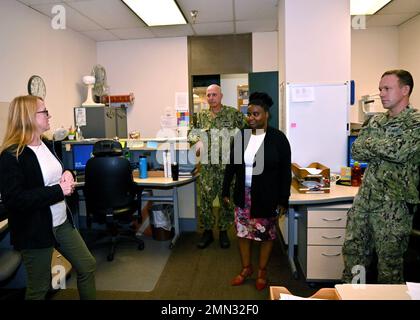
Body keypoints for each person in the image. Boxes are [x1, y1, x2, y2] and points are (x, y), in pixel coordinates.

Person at [0, 95, 96, 299]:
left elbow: (57, 173)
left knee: (87, 266)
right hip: (35, 229)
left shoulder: (47, 144)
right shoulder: (11, 156)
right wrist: (58, 191)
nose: (49, 115)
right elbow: (15, 200)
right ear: (29, 117)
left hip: (61, 222)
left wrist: (68, 172)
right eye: (44, 112)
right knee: (39, 287)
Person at [342, 70, 420, 284]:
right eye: (380, 89)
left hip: (394, 208)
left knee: (389, 265)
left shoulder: (416, 122)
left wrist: (371, 145)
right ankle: (354, 296)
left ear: (405, 90)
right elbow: (356, 151)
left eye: (387, 89)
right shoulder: (375, 121)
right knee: (354, 257)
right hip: (364, 202)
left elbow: (400, 152)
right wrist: (381, 146)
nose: (381, 94)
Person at [222, 92, 291, 290]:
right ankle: (246, 268)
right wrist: (225, 189)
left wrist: (282, 200)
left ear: (266, 114)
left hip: (267, 196)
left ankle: (262, 271)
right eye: (249, 114)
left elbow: (285, 172)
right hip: (243, 195)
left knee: (266, 234)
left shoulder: (278, 139)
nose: (251, 118)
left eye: (256, 114)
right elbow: (231, 165)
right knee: (243, 233)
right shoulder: (242, 136)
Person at [189, 84, 246, 249]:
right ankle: (207, 232)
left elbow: (246, 129)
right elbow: (192, 133)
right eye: (208, 95)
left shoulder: (232, 113)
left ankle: (223, 232)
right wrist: (196, 141)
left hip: (227, 168)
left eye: (214, 95)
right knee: (206, 200)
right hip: (208, 167)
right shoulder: (201, 116)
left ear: (221, 96)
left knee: (226, 201)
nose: (211, 98)